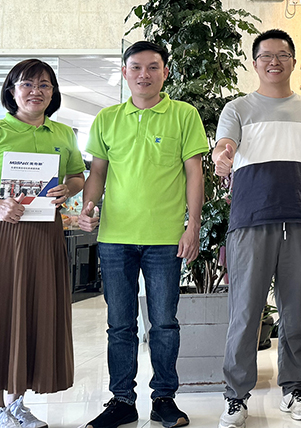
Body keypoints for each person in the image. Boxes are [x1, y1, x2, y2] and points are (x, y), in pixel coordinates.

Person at [78, 41, 209, 428]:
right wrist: (88, 207)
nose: (144, 74)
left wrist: (193, 225)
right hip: (115, 238)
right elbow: (97, 172)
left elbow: (195, 173)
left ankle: (164, 399)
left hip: (165, 238)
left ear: (165, 72)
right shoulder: (107, 118)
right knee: (120, 325)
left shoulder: (183, 115)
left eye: (153, 67)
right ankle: (122, 400)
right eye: (135, 67)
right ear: (124, 73)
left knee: (164, 323)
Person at [0, 59, 85, 428]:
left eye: (44, 85)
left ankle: (17, 404)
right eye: (27, 84)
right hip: (0, 233)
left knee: (34, 311)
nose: (35, 92)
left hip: (44, 232)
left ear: (53, 93)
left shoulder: (63, 134)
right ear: (12, 90)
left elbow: (77, 176)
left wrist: (68, 188)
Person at [212, 29, 301, 428]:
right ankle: (235, 396)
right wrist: (222, 155)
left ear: (294, 61)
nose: (274, 61)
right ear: (255, 62)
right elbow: (224, 145)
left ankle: (293, 389)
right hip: (250, 222)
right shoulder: (238, 108)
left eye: (282, 55)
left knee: (294, 314)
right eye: (266, 56)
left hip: (298, 219)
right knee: (245, 314)